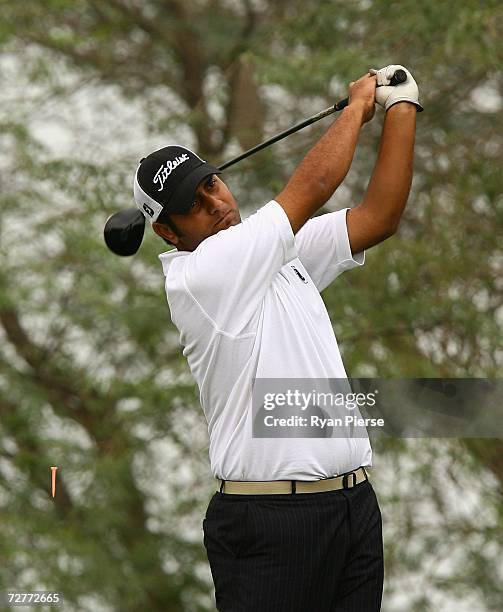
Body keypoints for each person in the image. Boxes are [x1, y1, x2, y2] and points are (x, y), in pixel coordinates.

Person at [131, 64, 422, 611]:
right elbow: (311, 186)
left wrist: (402, 105)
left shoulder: (275, 251)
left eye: (211, 183)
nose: (216, 205)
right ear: (167, 232)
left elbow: (379, 216)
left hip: (353, 507)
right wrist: (360, 107)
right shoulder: (203, 274)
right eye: (192, 205)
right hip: (269, 527)